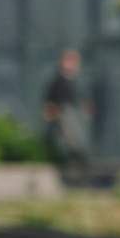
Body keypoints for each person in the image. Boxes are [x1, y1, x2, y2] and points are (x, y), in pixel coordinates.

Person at [42, 48, 92, 176]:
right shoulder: (58, 81)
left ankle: (77, 167)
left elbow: (77, 98)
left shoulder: (73, 82)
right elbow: (52, 99)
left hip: (68, 113)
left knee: (71, 141)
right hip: (62, 113)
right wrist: (51, 109)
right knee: (67, 141)